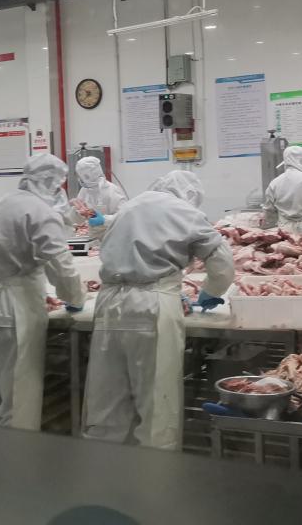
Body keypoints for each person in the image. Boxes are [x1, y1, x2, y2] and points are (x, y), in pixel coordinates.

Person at [84, 170, 234, 450]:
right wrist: (212, 291)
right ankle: (155, 473)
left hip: (109, 305)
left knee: (106, 400)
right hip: (152, 304)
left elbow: (108, 237)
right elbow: (222, 261)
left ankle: (102, 470)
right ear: (191, 195)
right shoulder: (185, 212)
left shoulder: (130, 206)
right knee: (156, 402)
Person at [0, 154, 84, 430]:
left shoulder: (0, 205)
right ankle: (16, 454)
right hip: (16, 307)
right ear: (50, 182)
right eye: (57, 185)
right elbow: (59, 263)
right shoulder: (40, 212)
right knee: (17, 395)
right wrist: (74, 297)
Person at [71, 157, 127, 221]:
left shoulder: (112, 191)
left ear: (87, 176)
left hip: (110, 227)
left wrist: (104, 220)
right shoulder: (85, 190)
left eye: (80, 176)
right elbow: (81, 214)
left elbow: (123, 216)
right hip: (90, 227)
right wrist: (76, 211)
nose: (79, 178)